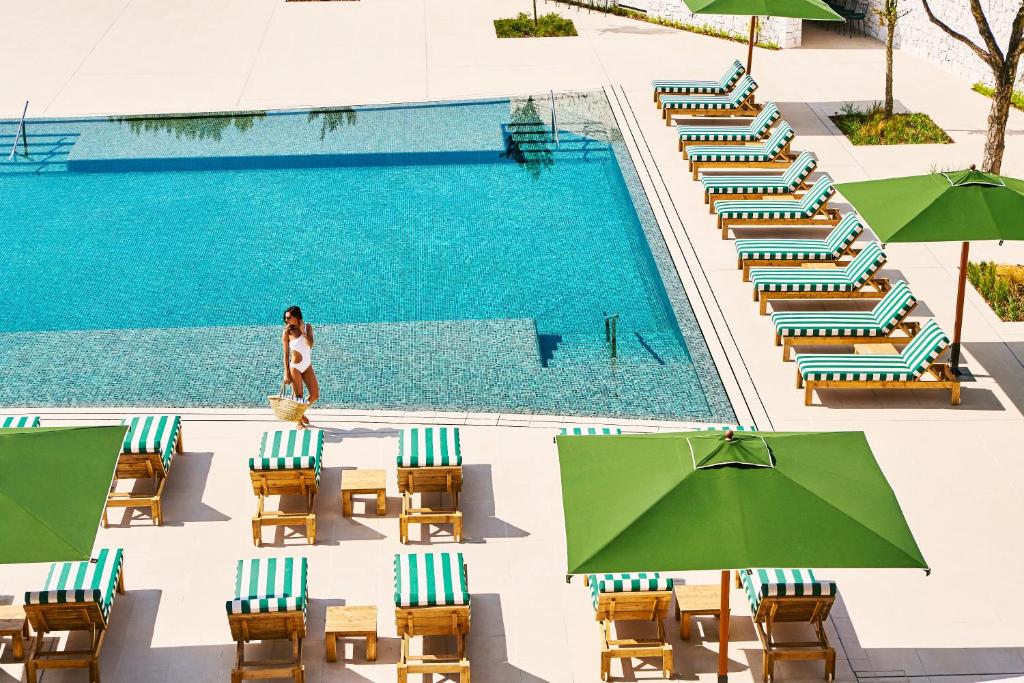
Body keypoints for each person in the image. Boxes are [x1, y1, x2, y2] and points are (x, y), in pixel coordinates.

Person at [282, 305, 319, 427]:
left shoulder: (307, 327)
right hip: (295, 367)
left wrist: (303, 332)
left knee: (314, 395)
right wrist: (286, 373)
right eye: (286, 318)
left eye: (289, 318)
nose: (286, 320)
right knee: (299, 396)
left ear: (296, 317)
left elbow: (310, 344)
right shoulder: (287, 332)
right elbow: (286, 355)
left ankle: (299, 412)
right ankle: (298, 421)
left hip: (307, 365)